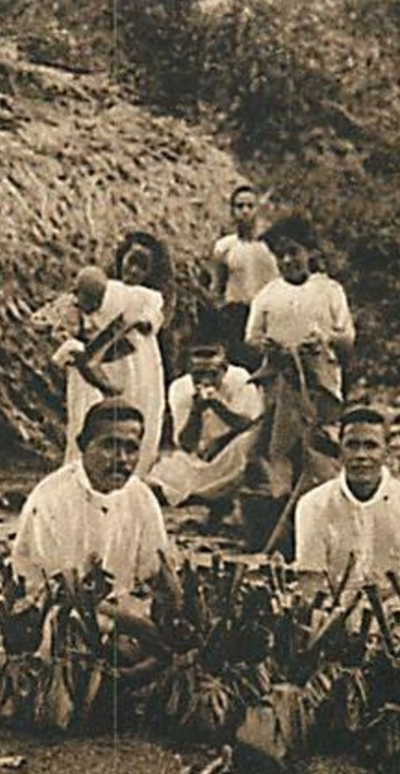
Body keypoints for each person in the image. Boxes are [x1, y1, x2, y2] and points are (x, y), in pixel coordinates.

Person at [241, 214, 354, 553]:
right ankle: (283, 531)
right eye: (281, 256)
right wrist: (267, 347)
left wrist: (324, 341)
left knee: (319, 448)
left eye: (294, 252)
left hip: (319, 383)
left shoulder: (328, 290)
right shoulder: (268, 294)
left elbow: (347, 337)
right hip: (280, 383)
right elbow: (251, 337)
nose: (288, 261)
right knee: (278, 452)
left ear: (309, 252)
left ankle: (323, 527)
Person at [12, 398, 174, 600]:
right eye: (109, 446)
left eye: (131, 448)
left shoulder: (141, 496)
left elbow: (156, 574)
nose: (122, 459)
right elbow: (63, 591)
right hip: (56, 610)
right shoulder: (51, 499)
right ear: (83, 445)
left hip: (118, 609)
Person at [294, 405, 400, 596]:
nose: (361, 455)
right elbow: (310, 581)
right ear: (340, 450)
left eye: (371, 446)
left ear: (387, 451)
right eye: (352, 445)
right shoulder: (313, 505)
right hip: (335, 616)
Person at [48, 265, 166, 476]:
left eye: (94, 301)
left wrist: (145, 323)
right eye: (84, 298)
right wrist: (66, 336)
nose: (90, 306)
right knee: (89, 416)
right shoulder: (72, 305)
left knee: (137, 411)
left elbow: (155, 307)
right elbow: (49, 325)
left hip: (135, 365)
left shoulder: (128, 297)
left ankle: (135, 471)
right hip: (93, 366)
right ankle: (84, 470)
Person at [145, 333, 263, 511]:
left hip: (231, 449)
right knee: (160, 478)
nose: (205, 380)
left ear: (224, 368)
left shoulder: (240, 378)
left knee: (249, 442)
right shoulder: (180, 387)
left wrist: (218, 407)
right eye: (198, 374)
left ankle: (209, 495)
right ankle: (208, 495)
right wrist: (196, 411)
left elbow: (249, 423)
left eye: (212, 374)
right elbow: (185, 444)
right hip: (197, 457)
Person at [209, 185, 280, 366]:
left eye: (250, 206)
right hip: (236, 315)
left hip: (267, 315)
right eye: (240, 207)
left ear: (258, 209)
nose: (245, 211)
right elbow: (218, 287)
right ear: (232, 212)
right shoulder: (224, 247)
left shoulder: (271, 245)